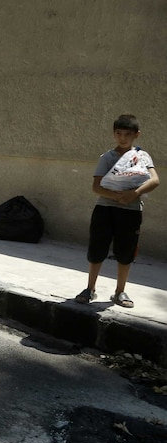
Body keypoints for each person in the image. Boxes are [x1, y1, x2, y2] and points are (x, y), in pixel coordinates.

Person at [74, 114, 160, 308]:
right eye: (119, 133)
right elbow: (96, 187)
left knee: (125, 251)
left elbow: (154, 180)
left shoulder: (142, 156)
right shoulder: (107, 157)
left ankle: (120, 292)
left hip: (131, 211)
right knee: (97, 248)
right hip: (105, 208)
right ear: (113, 134)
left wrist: (134, 193)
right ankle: (90, 288)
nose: (122, 138)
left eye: (127, 134)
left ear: (137, 135)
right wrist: (116, 197)